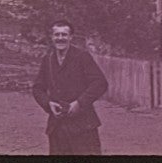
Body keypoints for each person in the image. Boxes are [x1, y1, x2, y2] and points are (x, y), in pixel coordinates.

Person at [30, 19, 109, 155]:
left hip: (83, 126)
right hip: (57, 127)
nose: (60, 38)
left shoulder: (82, 57)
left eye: (64, 35)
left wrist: (80, 103)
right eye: (57, 35)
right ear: (52, 37)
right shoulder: (48, 59)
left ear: (71, 37)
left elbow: (100, 83)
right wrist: (49, 104)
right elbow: (37, 88)